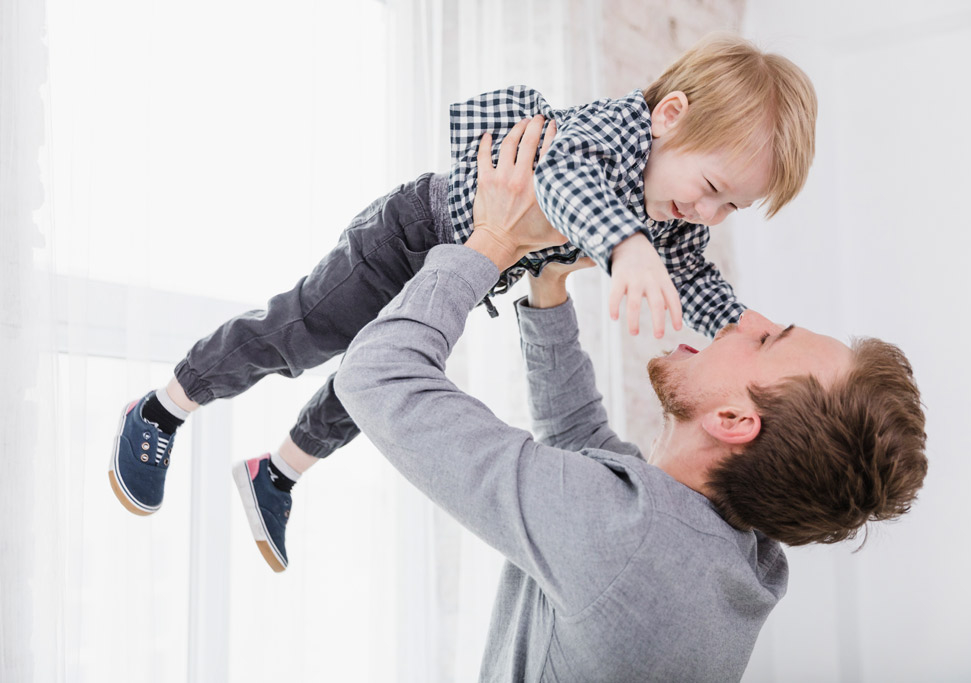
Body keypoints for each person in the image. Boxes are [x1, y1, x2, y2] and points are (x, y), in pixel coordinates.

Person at [108, 33, 818, 572]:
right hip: (411, 234)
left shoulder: (674, 213)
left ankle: (278, 471)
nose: (710, 213)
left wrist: (739, 325)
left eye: (732, 207)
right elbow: (563, 178)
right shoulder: (614, 130)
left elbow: (692, 272)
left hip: (473, 269)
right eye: (714, 187)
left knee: (374, 387)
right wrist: (627, 246)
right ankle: (164, 404)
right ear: (668, 117)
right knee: (301, 333)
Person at [334, 117, 927, 681]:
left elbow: (377, 376)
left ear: (733, 420)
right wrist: (549, 284)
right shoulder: (740, 556)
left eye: (769, 340)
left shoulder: (628, 541)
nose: (751, 319)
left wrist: (490, 238)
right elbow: (586, 454)